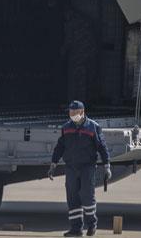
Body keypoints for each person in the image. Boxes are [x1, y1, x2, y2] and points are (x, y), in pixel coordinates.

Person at [47, 100, 111, 237]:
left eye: (75, 112)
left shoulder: (93, 127)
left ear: (82, 112)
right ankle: (76, 229)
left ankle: (92, 224)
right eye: (70, 112)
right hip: (71, 167)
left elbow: (102, 147)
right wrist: (53, 164)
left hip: (87, 167)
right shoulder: (66, 127)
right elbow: (60, 147)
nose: (72, 115)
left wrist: (107, 166)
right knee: (72, 198)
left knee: (87, 197)